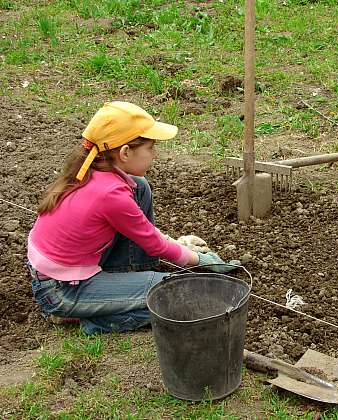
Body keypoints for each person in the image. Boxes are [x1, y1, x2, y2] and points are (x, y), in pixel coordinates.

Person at [27, 101, 240, 334]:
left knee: (139, 187)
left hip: (66, 268)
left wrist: (180, 251)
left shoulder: (92, 169)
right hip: (61, 290)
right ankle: (91, 319)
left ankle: (132, 276)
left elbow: (142, 230)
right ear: (125, 152)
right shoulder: (110, 194)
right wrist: (200, 260)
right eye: (151, 148)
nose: (154, 156)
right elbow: (154, 243)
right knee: (179, 295)